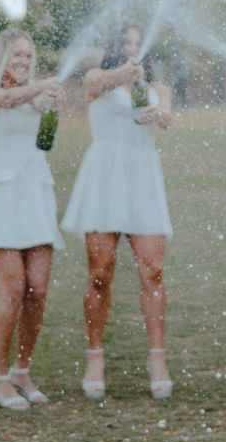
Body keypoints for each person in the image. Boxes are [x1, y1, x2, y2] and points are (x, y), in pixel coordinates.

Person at [62, 23, 176, 400]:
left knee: (152, 270)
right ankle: (95, 356)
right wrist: (123, 74)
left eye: (138, 45)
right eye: (126, 43)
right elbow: (92, 86)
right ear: (115, 48)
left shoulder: (155, 87)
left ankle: (157, 358)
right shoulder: (99, 77)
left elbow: (167, 114)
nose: (132, 50)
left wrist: (159, 116)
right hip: (106, 176)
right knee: (99, 271)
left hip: (142, 176)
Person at [0, 28, 64, 410]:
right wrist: (37, 88)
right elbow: (5, 100)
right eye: (16, 55)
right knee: (12, 289)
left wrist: (52, 101)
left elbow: (44, 138)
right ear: (1, 57)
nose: (23, 62)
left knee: (37, 291)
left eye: (27, 56)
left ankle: (22, 370)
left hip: (35, 193)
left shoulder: (35, 97)